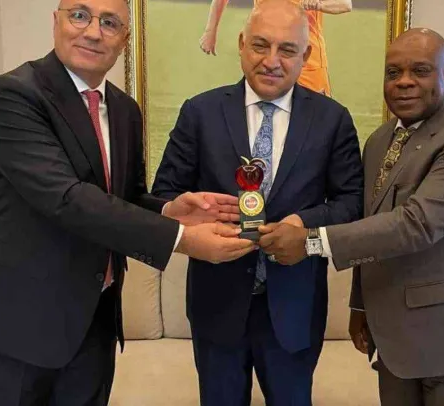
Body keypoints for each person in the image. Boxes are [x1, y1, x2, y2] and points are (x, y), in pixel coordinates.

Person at [0, 0, 254, 404]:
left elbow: (123, 197)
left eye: (110, 23)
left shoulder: (125, 110)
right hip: (15, 318)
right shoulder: (14, 95)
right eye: (79, 15)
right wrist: (181, 238)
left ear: (124, 39)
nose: (93, 31)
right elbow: (67, 198)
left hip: (93, 316)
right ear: (56, 21)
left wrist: (170, 210)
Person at [258, 28, 444, 406]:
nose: (404, 82)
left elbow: (415, 224)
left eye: (420, 70)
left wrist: (311, 242)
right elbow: (371, 222)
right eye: (393, 73)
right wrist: (361, 305)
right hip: (394, 338)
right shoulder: (380, 140)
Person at [152, 1, 363, 404]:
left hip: (294, 309)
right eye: (260, 45)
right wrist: (187, 213)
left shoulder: (332, 119)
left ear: (306, 55)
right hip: (217, 306)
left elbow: (351, 202)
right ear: (241, 44)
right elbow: (164, 196)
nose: (271, 61)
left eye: (287, 49)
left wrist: (303, 224)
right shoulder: (200, 112)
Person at [199, 0, 352, 97]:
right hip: (264, 55)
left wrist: (318, 4)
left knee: (315, 120)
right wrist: (210, 31)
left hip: (306, 63)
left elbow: (345, 4)